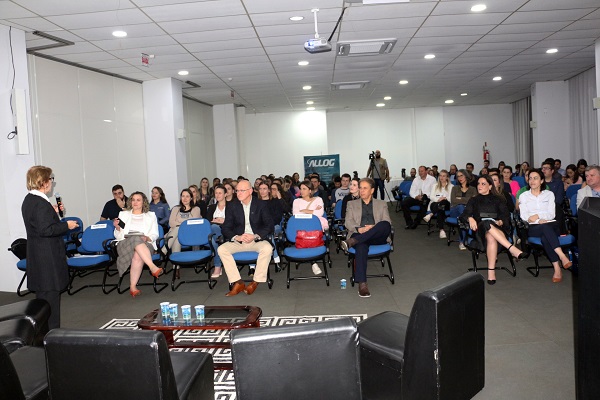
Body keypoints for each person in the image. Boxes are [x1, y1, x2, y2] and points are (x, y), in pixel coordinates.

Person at [22, 166, 79, 329]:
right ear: (43, 182)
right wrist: (66, 225)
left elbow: (39, 223)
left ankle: (44, 334)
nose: (52, 182)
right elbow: (46, 230)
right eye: (50, 179)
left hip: (39, 256)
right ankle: (52, 336)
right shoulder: (40, 203)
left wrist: (51, 212)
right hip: (47, 259)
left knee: (43, 302)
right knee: (51, 303)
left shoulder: (29, 200)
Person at [460, 175, 526, 284]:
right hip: (480, 231)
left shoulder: (499, 199)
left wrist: (500, 221)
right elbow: (463, 215)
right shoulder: (474, 200)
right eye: (478, 184)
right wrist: (470, 218)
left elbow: (506, 216)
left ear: (490, 186)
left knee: (491, 235)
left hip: (498, 230)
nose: (480, 186)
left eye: (483, 184)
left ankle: (491, 273)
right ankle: (511, 248)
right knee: (486, 223)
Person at [218, 180, 274, 296]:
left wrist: (255, 236)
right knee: (221, 249)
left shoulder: (261, 204)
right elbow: (226, 227)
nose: (238, 193)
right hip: (239, 241)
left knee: (267, 248)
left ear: (250, 191)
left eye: (242, 190)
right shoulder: (232, 205)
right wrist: (236, 237)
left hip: (256, 240)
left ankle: (255, 282)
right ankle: (238, 282)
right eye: (237, 190)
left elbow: (269, 225)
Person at [340, 178, 392, 298]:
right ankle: (362, 283)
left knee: (385, 225)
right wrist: (359, 229)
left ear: (372, 190)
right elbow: (348, 222)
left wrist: (373, 227)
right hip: (359, 233)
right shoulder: (351, 204)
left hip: (377, 236)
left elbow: (387, 221)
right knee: (361, 247)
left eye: (365, 188)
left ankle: (352, 242)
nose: (361, 190)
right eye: (360, 188)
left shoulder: (382, 204)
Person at [519, 169, 572, 283]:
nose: (532, 181)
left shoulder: (549, 194)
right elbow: (524, 216)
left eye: (535, 178)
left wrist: (538, 216)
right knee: (544, 228)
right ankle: (562, 256)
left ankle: (557, 269)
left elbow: (551, 214)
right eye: (530, 178)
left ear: (542, 180)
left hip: (551, 225)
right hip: (534, 227)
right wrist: (539, 220)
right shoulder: (524, 196)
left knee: (545, 236)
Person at [113, 191, 163, 297]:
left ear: (143, 202)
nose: (135, 202)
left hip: (145, 243)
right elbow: (118, 236)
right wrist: (117, 228)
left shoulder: (151, 215)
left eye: (138, 200)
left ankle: (132, 287)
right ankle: (152, 267)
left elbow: (155, 234)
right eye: (133, 200)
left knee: (137, 254)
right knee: (136, 238)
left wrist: (147, 238)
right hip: (125, 243)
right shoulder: (123, 214)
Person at [167, 189, 202, 254]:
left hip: (189, 234)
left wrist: (179, 224)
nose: (185, 198)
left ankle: (164, 250)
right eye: (183, 196)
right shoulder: (175, 209)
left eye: (187, 196)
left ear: (191, 198)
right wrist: (185, 223)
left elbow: (192, 224)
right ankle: (176, 260)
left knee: (178, 228)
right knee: (178, 236)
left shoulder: (196, 209)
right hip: (174, 234)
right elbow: (171, 223)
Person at [450, 169, 477, 250]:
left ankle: (462, 241)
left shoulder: (473, 189)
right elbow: (453, 201)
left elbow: (474, 201)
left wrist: (460, 199)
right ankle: (468, 237)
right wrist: (467, 199)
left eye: (461, 175)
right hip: (455, 210)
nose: (460, 178)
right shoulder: (454, 188)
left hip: (466, 212)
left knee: (462, 219)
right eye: (458, 176)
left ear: (466, 176)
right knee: (461, 207)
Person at [206, 185, 228, 278]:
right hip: (214, 231)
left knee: (213, 240)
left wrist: (223, 221)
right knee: (214, 235)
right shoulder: (212, 207)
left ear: (225, 194)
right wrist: (216, 221)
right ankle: (220, 241)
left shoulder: (231, 206)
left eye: (220, 193)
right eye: (216, 193)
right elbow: (207, 221)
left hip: (227, 231)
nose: (217, 195)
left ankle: (217, 266)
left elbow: (234, 221)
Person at [424, 169, 453, 239]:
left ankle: (431, 214)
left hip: (446, 204)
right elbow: (431, 196)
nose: (441, 177)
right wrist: (438, 199)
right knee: (440, 209)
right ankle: (441, 230)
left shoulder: (451, 186)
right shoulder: (435, 185)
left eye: (444, 176)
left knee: (443, 203)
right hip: (435, 204)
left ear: (447, 177)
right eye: (440, 175)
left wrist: (444, 198)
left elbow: (451, 198)